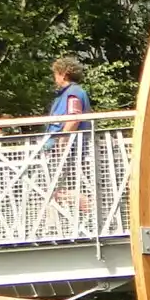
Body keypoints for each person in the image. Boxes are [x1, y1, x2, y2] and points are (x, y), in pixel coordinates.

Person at [42, 56, 94, 221]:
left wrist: (62, 143)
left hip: (68, 151)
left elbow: (73, 118)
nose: (54, 78)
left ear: (63, 74)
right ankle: (70, 220)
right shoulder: (67, 94)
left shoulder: (73, 93)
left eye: (55, 74)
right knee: (54, 190)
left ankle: (87, 209)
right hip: (63, 150)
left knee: (56, 190)